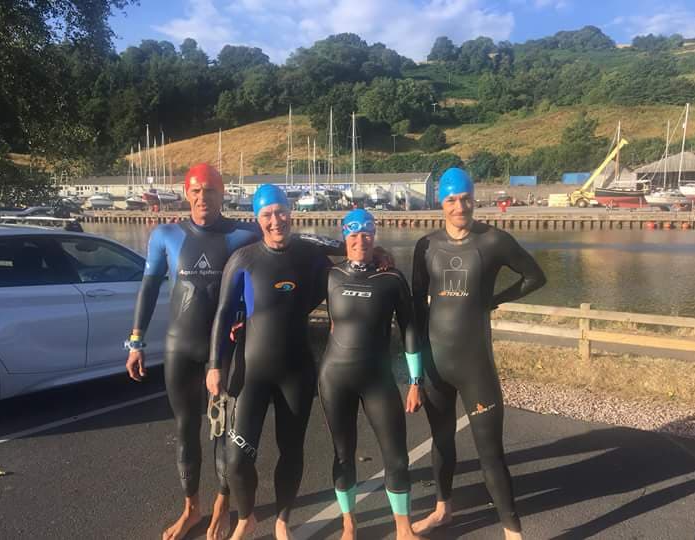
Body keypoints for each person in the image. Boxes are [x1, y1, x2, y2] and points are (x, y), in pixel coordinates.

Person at [125, 163, 259, 540]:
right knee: (186, 429)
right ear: (187, 194)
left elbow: (288, 249)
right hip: (180, 347)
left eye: (210, 190)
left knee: (224, 432)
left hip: (224, 351)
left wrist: (367, 249)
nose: (203, 198)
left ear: (223, 194)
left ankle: (222, 504)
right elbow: (148, 288)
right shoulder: (165, 235)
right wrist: (136, 341)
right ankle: (191, 508)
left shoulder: (244, 235)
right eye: (196, 191)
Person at [411, 168, 546, 539]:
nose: (460, 207)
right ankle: (443, 509)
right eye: (452, 200)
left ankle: (512, 531)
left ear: (474, 199)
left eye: (466, 199)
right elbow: (416, 307)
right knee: (441, 442)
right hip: (435, 364)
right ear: (441, 202)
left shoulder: (494, 241)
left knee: (490, 453)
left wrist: (495, 300)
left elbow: (535, 277)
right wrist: (416, 370)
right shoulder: (426, 246)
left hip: (475, 366)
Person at [207, 184, 337, 540]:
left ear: (290, 212)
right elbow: (223, 312)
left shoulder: (310, 256)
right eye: (267, 214)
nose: (276, 220)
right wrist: (214, 365)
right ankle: (246, 517)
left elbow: (344, 274)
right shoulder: (244, 259)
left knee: (291, 451)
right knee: (237, 459)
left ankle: (282, 520)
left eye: (280, 212)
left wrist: (378, 253)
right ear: (258, 219)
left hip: (296, 370)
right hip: (251, 371)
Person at [319, 209, 425, 540]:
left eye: (367, 234)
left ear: (375, 235)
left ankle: (403, 528)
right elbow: (296, 254)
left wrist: (415, 381)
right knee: (343, 454)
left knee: (396, 456)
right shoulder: (331, 275)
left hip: (378, 379)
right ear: (344, 237)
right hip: (334, 378)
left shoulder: (391, 278)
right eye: (353, 235)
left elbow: (409, 329)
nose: (360, 240)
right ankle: (349, 524)